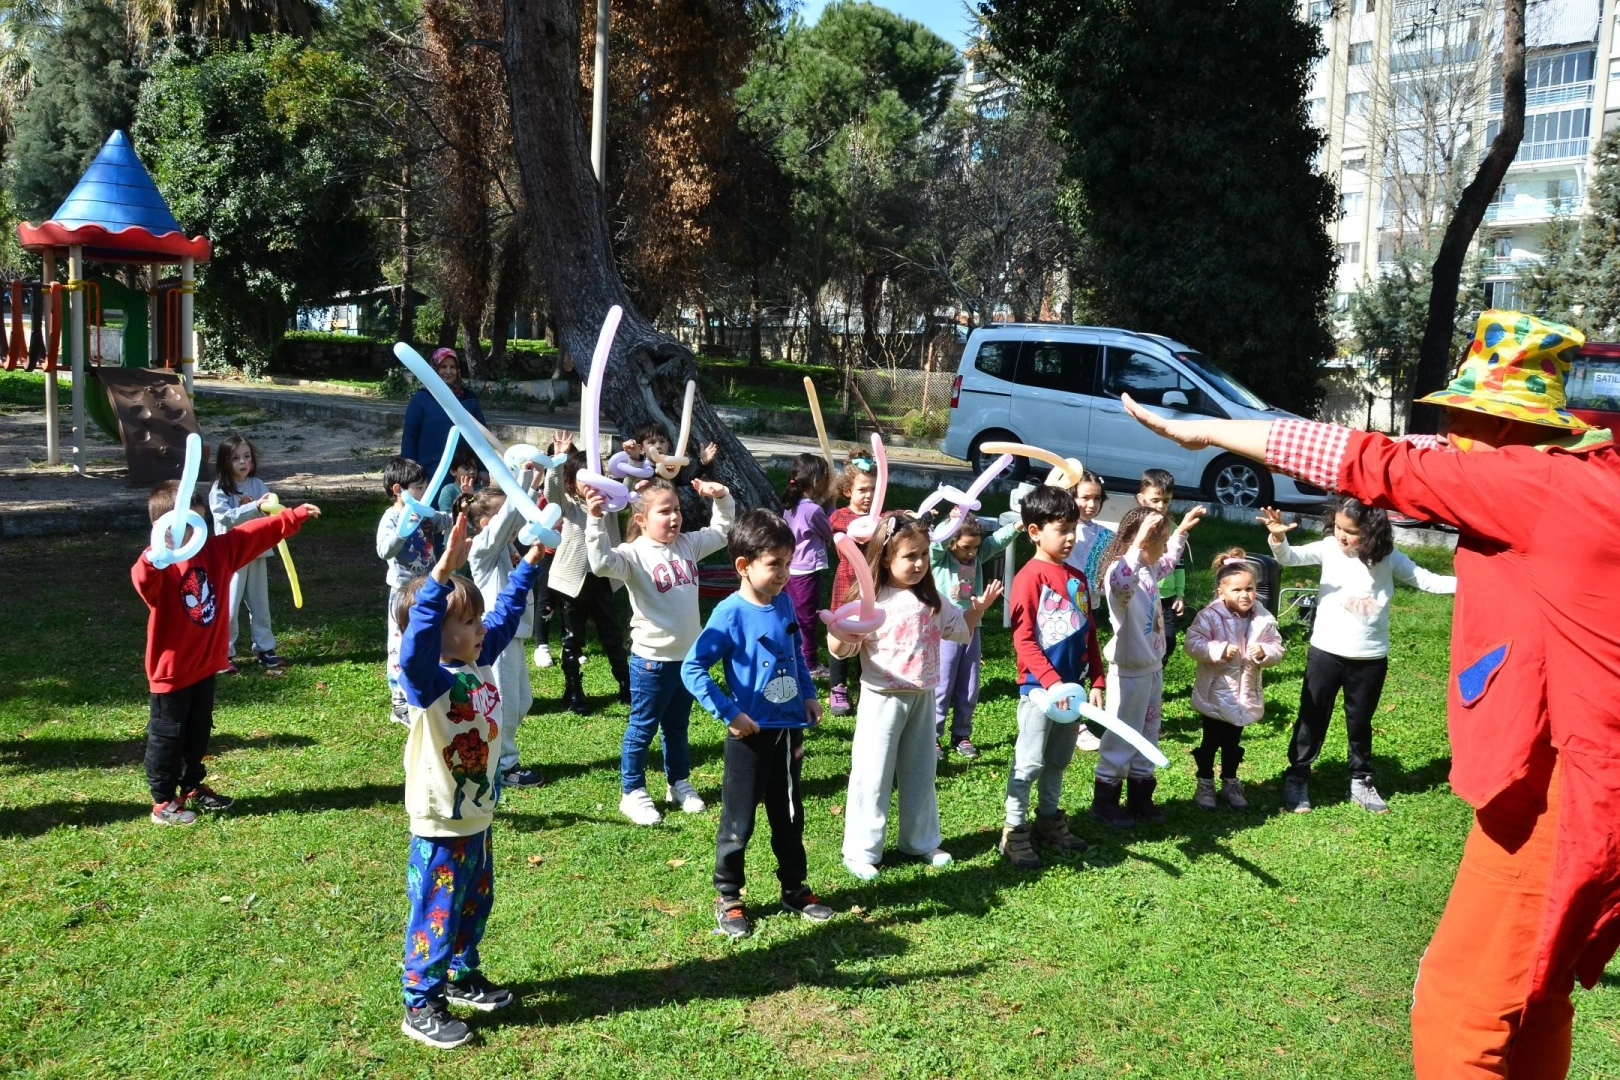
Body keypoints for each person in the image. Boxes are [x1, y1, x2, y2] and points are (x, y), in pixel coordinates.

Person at [1118, 311, 1620, 1077]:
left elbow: (1373, 461)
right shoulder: (1589, 477)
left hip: (1565, 790)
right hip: (1589, 783)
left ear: (1500, 427)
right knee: (1537, 992)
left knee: (1460, 1010)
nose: (1444, 435)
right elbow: (1422, 457)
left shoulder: (1534, 488)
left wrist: (1214, 430)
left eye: (1459, 419)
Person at [395, 515, 538, 1049]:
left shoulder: (475, 662)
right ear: (438, 634)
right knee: (437, 907)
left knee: (475, 901)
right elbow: (414, 645)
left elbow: (502, 617)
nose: (481, 630)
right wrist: (439, 577)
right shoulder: (429, 680)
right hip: (440, 823)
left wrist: (528, 564)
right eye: (468, 623)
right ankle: (419, 1002)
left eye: (478, 622)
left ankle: (458, 973)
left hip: (476, 815)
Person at [681, 509, 832, 938]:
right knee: (738, 823)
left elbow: (796, 654)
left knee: (788, 814)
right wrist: (730, 714)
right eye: (775, 564)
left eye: (788, 563)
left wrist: (806, 694)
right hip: (748, 738)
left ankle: (794, 888)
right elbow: (692, 669)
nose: (785, 573)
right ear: (744, 566)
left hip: (787, 734)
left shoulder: (782, 601)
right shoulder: (729, 614)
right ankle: (728, 896)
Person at [133, 480, 318, 825]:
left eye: (202, 523)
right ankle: (162, 801)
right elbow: (143, 582)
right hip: (172, 671)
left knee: (198, 729)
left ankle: (191, 786)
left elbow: (254, 534)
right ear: (165, 529)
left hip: (205, 666)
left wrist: (291, 517)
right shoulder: (162, 565)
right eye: (189, 527)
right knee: (168, 734)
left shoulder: (218, 552)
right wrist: (154, 557)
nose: (198, 534)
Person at [833, 513, 1002, 881]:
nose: (919, 563)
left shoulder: (933, 599)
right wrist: (840, 632)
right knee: (872, 775)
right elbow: (841, 649)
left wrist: (978, 610)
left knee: (920, 773)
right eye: (909, 556)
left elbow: (960, 630)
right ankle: (861, 849)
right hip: (882, 700)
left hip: (922, 698)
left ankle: (920, 841)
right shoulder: (871, 600)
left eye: (924, 554)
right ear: (886, 557)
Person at [1261, 498, 1456, 814]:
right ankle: (1297, 776)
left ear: (1372, 531)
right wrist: (1278, 537)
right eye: (1338, 527)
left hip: (1370, 657)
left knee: (1360, 721)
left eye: (1350, 531)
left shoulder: (1388, 558)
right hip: (1326, 652)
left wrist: (1474, 584)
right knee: (1312, 717)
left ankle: (1361, 780)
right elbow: (1289, 558)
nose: (1342, 535)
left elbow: (1427, 580)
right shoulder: (1328, 548)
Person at [586, 475, 736, 826]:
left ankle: (678, 782)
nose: (674, 518)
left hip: (688, 661)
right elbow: (599, 563)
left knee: (677, 726)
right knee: (643, 727)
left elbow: (723, 529)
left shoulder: (687, 544)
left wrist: (723, 496)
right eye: (664, 511)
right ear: (641, 519)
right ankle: (632, 791)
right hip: (651, 662)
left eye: (678, 510)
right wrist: (595, 520)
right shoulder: (633, 554)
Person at [1001, 484, 1104, 870]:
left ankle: (1049, 820)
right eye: (1061, 529)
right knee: (1028, 763)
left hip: (1072, 694)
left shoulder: (1077, 578)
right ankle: (1014, 831)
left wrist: (1096, 679)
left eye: (1073, 528)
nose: (1070, 537)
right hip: (1040, 694)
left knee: (1058, 759)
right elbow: (1024, 640)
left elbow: (1089, 633)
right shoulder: (1029, 579)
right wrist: (1050, 682)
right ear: (1034, 532)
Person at [1091, 502, 1205, 827]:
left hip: (1152, 669)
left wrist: (1180, 532)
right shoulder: (1121, 572)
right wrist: (1140, 539)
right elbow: (1121, 584)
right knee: (1122, 736)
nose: (1164, 547)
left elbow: (1167, 561)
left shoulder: (1148, 568)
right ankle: (1105, 802)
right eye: (1161, 539)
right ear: (1141, 541)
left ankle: (1141, 796)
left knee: (1149, 733)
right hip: (1128, 674)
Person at [1183, 549, 1284, 811]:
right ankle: (1205, 782)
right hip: (1216, 693)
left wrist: (1265, 652)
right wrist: (1217, 649)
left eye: (1250, 589)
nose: (1245, 595)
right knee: (1211, 741)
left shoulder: (1263, 619)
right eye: (1237, 590)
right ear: (1221, 592)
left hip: (1244, 694)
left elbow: (1277, 647)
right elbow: (1192, 643)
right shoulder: (1209, 616)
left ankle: (1230, 781)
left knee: (1232, 743)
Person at [543, 434, 630, 714]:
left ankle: (626, 684)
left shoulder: (610, 505)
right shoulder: (569, 503)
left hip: (601, 578)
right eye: (586, 478)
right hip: (572, 580)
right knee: (572, 637)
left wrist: (635, 460)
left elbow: (627, 491)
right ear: (572, 483)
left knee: (611, 634)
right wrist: (558, 460)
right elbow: (551, 493)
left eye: (599, 477)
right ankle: (573, 690)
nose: (595, 484)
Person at [466, 480, 544, 789]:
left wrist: (534, 484)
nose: (514, 525)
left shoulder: (508, 550)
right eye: (505, 519)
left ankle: (491, 747)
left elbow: (522, 514)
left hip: (515, 636)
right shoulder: (485, 550)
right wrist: (518, 483)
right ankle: (504, 765)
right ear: (487, 523)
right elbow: (509, 517)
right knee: (506, 704)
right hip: (497, 638)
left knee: (523, 701)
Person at [930, 510, 1019, 759]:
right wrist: (951, 522)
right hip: (945, 627)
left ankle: (961, 732)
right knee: (943, 682)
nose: (971, 552)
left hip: (971, 625)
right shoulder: (940, 558)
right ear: (952, 543)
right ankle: (933, 735)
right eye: (966, 547)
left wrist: (1020, 524)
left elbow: (999, 540)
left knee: (969, 683)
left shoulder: (978, 557)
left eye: (976, 547)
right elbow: (936, 543)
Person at [377, 457, 452, 724]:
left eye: (426, 486)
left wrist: (465, 502)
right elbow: (384, 550)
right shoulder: (393, 517)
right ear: (399, 490)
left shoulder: (426, 512)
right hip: (403, 593)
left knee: (431, 636)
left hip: (428, 588)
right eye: (420, 487)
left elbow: (447, 521)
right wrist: (403, 529)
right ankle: (399, 701)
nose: (425, 492)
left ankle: (430, 689)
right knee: (400, 643)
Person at [207, 434, 289, 672]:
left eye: (246, 457)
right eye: (236, 458)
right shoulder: (219, 490)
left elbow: (268, 514)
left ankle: (265, 649)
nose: (243, 462)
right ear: (225, 462)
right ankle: (224, 654)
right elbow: (225, 517)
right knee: (229, 606)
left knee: (260, 604)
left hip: (257, 553)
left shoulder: (258, 485)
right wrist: (253, 506)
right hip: (232, 556)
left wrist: (265, 511)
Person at [401, 347, 487, 507]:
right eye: (443, 367)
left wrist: (483, 468)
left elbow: (481, 436)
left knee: (465, 514)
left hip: (464, 471)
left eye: (452, 367)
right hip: (431, 470)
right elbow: (409, 437)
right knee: (434, 515)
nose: (448, 371)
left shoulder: (468, 399)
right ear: (434, 369)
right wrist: (409, 472)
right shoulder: (421, 399)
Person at [828, 448, 879, 716]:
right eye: (862, 489)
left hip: (872, 588)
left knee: (867, 636)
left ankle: (865, 686)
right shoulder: (841, 517)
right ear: (848, 490)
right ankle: (837, 687)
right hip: (847, 586)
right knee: (841, 634)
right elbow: (847, 530)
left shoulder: (879, 518)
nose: (868, 495)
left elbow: (894, 519)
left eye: (873, 489)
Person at [1065, 470, 1113, 752]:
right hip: (1059, 607)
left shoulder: (1104, 535)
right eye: (1085, 497)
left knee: (1082, 660)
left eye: (1097, 498)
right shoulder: (1060, 527)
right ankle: (1070, 722)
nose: (1091, 505)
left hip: (1087, 608)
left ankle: (1075, 720)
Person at [782, 453, 835, 680]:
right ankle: (810, 663)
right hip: (806, 572)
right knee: (807, 619)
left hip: (790, 570)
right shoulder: (813, 511)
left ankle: (791, 655)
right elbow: (831, 530)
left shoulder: (791, 506)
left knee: (793, 615)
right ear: (816, 481)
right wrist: (832, 505)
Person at [1136, 469, 1188, 667]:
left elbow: (1179, 563)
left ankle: (1156, 671)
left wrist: (1180, 594)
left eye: (1166, 500)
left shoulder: (1173, 528)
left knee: (1169, 640)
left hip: (1166, 597)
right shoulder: (1135, 526)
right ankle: (1144, 674)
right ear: (1141, 499)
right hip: (1141, 594)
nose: (1161, 506)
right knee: (1142, 640)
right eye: (1155, 499)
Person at [436, 447, 483, 514]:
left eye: (475, 468)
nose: (472, 471)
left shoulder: (481, 489)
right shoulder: (449, 490)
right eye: (466, 468)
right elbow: (446, 515)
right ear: (453, 471)